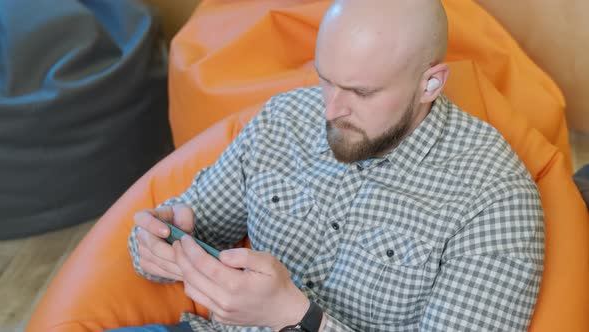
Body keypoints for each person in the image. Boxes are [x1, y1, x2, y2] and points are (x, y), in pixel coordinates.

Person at [114, 0, 544, 331]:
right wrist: (157, 245)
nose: (330, 110)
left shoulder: (493, 199)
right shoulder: (284, 120)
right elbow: (187, 225)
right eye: (325, 79)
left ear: (430, 83)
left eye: (361, 92)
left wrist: (296, 316)